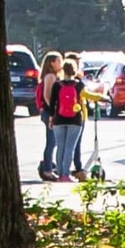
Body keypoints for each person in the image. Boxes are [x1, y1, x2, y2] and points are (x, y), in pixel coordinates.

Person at [45, 54, 87, 181]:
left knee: (60, 147)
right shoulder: (79, 85)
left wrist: (51, 118)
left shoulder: (57, 85)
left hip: (59, 119)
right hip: (75, 120)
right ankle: (66, 174)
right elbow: (85, 97)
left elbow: (53, 103)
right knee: (70, 148)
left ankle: (60, 174)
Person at [35, 52, 64, 180]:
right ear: (52, 63)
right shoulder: (50, 77)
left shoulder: (53, 76)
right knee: (52, 141)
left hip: (49, 111)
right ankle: (47, 169)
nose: (60, 63)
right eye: (58, 61)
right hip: (49, 112)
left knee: (54, 140)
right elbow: (47, 95)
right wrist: (54, 111)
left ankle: (48, 164)